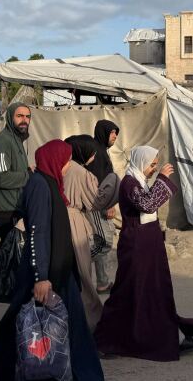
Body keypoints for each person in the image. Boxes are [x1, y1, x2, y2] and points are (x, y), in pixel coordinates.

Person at [0, 140, 104, 380]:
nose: (67, 167)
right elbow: (38, 232)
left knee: (68, 327)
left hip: (58, 271)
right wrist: (41, 277)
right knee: (24, 324)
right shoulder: (40, 185)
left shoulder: (49, 183)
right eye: (65, 161)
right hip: (47, 273)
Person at [94, 146, 193, 361]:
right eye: (152, 165)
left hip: (148, 245)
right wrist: (162, 179)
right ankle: (107, 341)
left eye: (156, 165)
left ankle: (168, 337)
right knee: (129, 292)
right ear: (140, 162)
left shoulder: (139, 181)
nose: (153, 169)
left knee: (156, 291)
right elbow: (148, 204)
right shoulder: (129, 183)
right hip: (137, 247)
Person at [64, 135, 119, 330]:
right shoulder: (81, 172)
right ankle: (92, 323)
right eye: (91, 153)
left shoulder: (62, 165)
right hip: (75, 222)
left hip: (60, 220)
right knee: (83, 275)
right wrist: (111, 192)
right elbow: (95, 202)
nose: (94, 157)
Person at [0, 103, 32, 243]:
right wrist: (28, 176)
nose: (24, 120)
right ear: (10, 117)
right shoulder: (3, 141)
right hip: (6, 209)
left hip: (16, 206)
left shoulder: (17, 140)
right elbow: (1, 178)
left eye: (27, 116)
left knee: (15, 253)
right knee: (11, 253)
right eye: (19, 116)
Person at [85, 120, 120, 294]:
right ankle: (74, 267)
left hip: (99, 206)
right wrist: (107, 205)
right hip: (98, 207)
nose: (115, 136)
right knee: (104, 242)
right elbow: (98, 184)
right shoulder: (97, 153)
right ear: (103, 132)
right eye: (112, 132)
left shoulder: (101, 152)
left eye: (116, 133)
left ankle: (102, 282)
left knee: (101, 242)